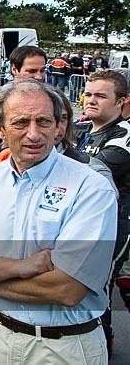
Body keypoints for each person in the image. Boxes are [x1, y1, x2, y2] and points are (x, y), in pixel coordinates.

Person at [0, 79, 116, 364]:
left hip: (64, 347)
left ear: (59, 127)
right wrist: (23, 267)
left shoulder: (91, 187)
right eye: (21, 123)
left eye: (43, 122)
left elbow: (67, 289)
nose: (33, 134)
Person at [74, 70, 130, 354]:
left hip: (114, 227)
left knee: (99, 288)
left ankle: (103, 348)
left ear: (122, 101)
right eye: (89, 93)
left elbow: (97, 171)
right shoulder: (81, 129)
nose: (91, 100)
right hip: (80, 225)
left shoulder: (125, 134)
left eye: (101, 96)